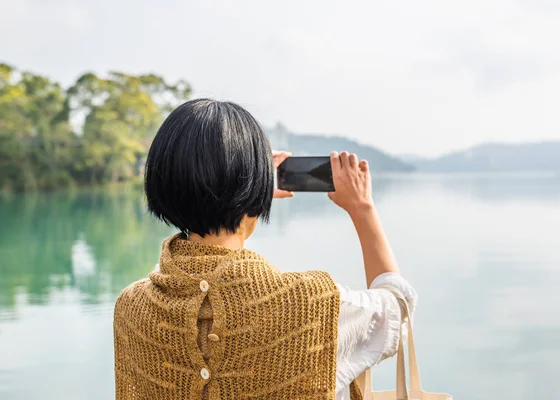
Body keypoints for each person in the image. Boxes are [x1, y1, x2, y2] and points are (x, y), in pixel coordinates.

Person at [113, 99, 417, 400]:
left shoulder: (132, 307)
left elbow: (205, 277)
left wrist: (243, 195)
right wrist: (362, 209)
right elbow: (398, 308)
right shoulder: (313, 306)